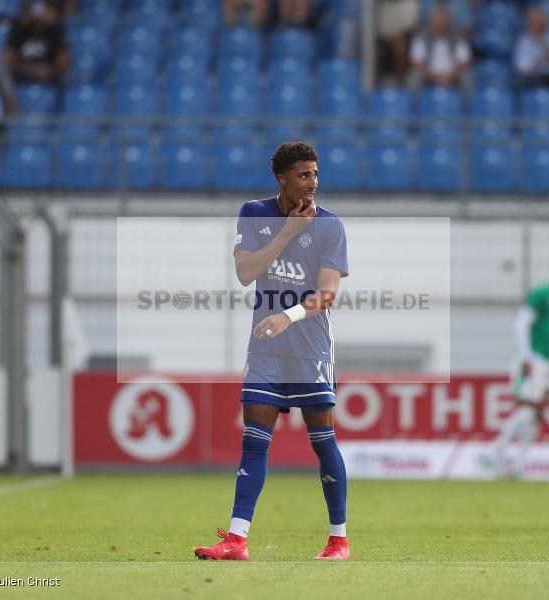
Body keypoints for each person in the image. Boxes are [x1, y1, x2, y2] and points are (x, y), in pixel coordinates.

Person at [194, 141, 351, 561]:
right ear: (282, 179)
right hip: (265, 350)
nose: (312, 183)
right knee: (255, 440)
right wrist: (288, 233)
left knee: (322, 440)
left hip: (310, 348)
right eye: (303, 175)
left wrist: (288, 316)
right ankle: (237, 539)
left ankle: (339, 540)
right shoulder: (254, 213)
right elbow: (245, 273)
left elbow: (329, 293)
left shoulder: (331, 226)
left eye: (316, 174)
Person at [487, 256, 549, 476]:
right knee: (529, 407)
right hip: (533, 358)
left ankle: (518, 464)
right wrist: (525, 357)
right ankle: (496, 454)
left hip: (548, 361)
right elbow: (521, 324)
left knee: (536, 413)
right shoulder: (542, 294)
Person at [5, 0, 70, 85]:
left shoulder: (53, 30)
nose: (38, 17)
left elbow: (64, 58)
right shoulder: (19, 29)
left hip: (49, 78)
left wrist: (51, 70)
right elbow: (8, 56)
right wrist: (31, 70)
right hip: (21, 77)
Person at [409, 7, 471, 89]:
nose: (441, 26)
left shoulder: (458, 37)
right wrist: (435, 77)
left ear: (449, 23)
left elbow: (464, 62)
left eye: (444, 23)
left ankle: (467, 102)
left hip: (453, 75)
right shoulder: (422, 37)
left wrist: (451, 75)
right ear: (431, 23)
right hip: (429, 75)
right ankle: (415, 102)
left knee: (467, 77)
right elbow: (417, 63)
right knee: (414, 77)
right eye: (437, 23)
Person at [514, 6, 549, 88]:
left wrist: (542, 42)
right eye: (533, 20)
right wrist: (544, 61)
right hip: (530, 79)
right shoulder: (523, 40)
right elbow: (521, 66)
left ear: (546, 20)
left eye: (539, 20)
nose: (536, 23)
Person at [377, 0, 420, 85]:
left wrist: (395, 37)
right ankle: (374, 81)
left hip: (401, 38)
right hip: (382, 39)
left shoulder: (409, 3)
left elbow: (410, 28)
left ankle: (401, 82)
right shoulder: (379, 4)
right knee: (374, 50)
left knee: (400, 48)